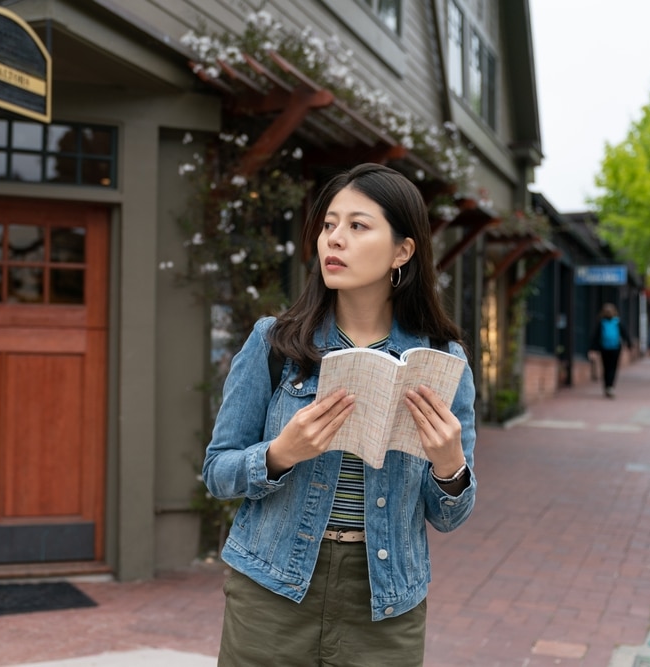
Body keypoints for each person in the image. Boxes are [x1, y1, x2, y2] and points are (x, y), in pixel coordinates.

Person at [202, 163, 476, 667]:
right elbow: (217, 473)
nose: (335, 240)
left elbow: (449, 516)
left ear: (402, 250)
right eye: (329, 225)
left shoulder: (443, 360)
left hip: (384, 600)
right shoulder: (275, 342)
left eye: (357, 225)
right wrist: (281, 454)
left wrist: (449, 465)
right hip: (272, 587)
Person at [588, 303, 633, 398]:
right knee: (613, 367)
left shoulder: (601, 323)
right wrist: (629, 345)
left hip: (604, 348)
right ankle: (610, 386)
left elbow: (595, 337)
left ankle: (606, 386)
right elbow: (625, 334)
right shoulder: (617, 322)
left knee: (606, 367)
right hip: (615, 348)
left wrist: (592, 348)